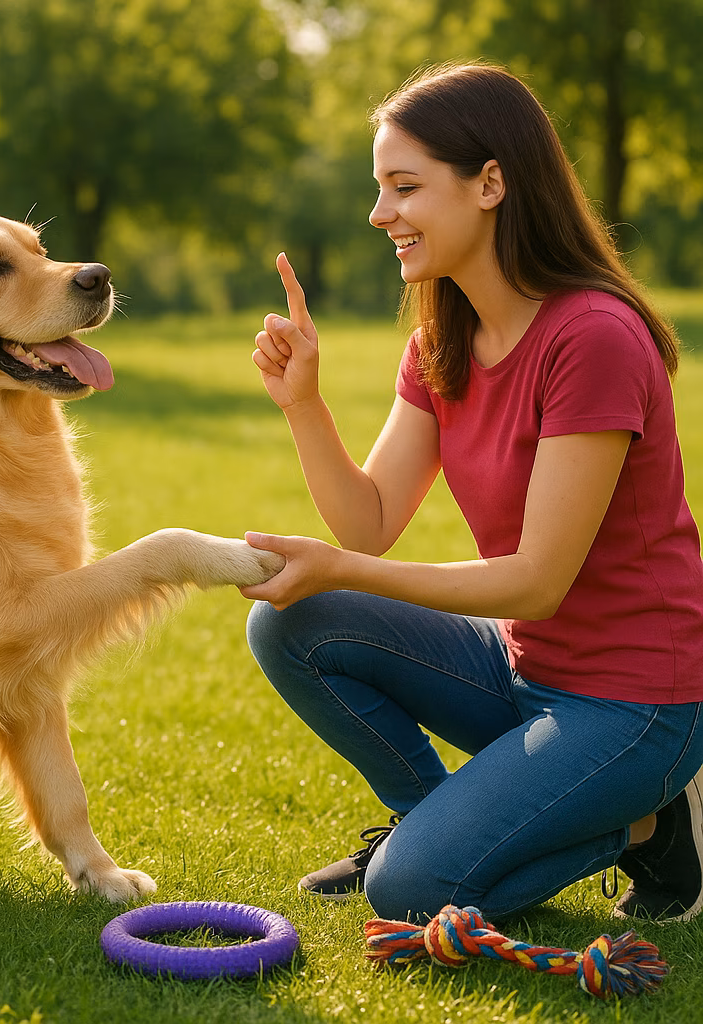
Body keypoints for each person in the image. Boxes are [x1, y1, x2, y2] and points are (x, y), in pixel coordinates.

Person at [240, 62, 703, 924]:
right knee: (292, 621)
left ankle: (647, 821)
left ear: (491, 183)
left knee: (414, 892)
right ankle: (430, 816)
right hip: (524, 666)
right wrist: (304, 402)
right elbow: (369, 524)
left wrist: (341, 565)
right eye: (380, 189)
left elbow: (536, 580)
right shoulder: (443, 337)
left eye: (404, 187)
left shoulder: (592, 337)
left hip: (635, 700)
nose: (381, 215)